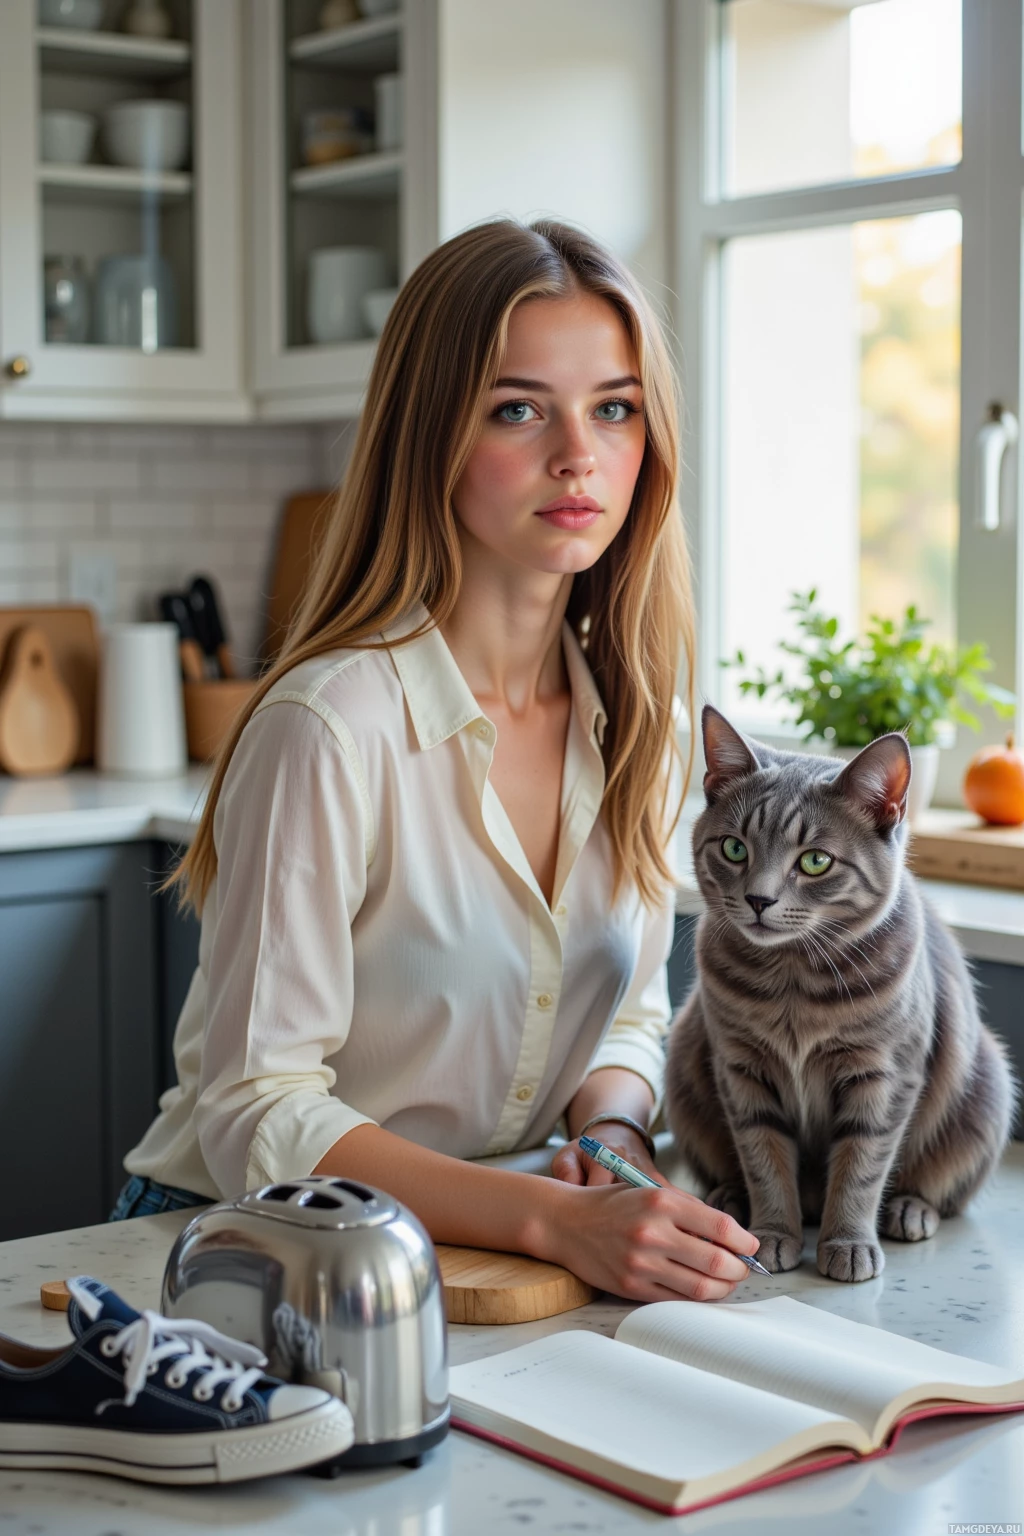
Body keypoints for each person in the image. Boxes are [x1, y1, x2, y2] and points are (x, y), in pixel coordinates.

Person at [113, 217, 761, 1302]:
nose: (578, 455)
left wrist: (608, 1145)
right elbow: (257, 1107)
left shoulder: (639, 721)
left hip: (470, 1256)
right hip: (235, 1257)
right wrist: (556, 1219)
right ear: (431, 436)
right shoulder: (328, 727)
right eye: (519, 409)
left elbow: (629, 1010)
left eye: (614, 409)